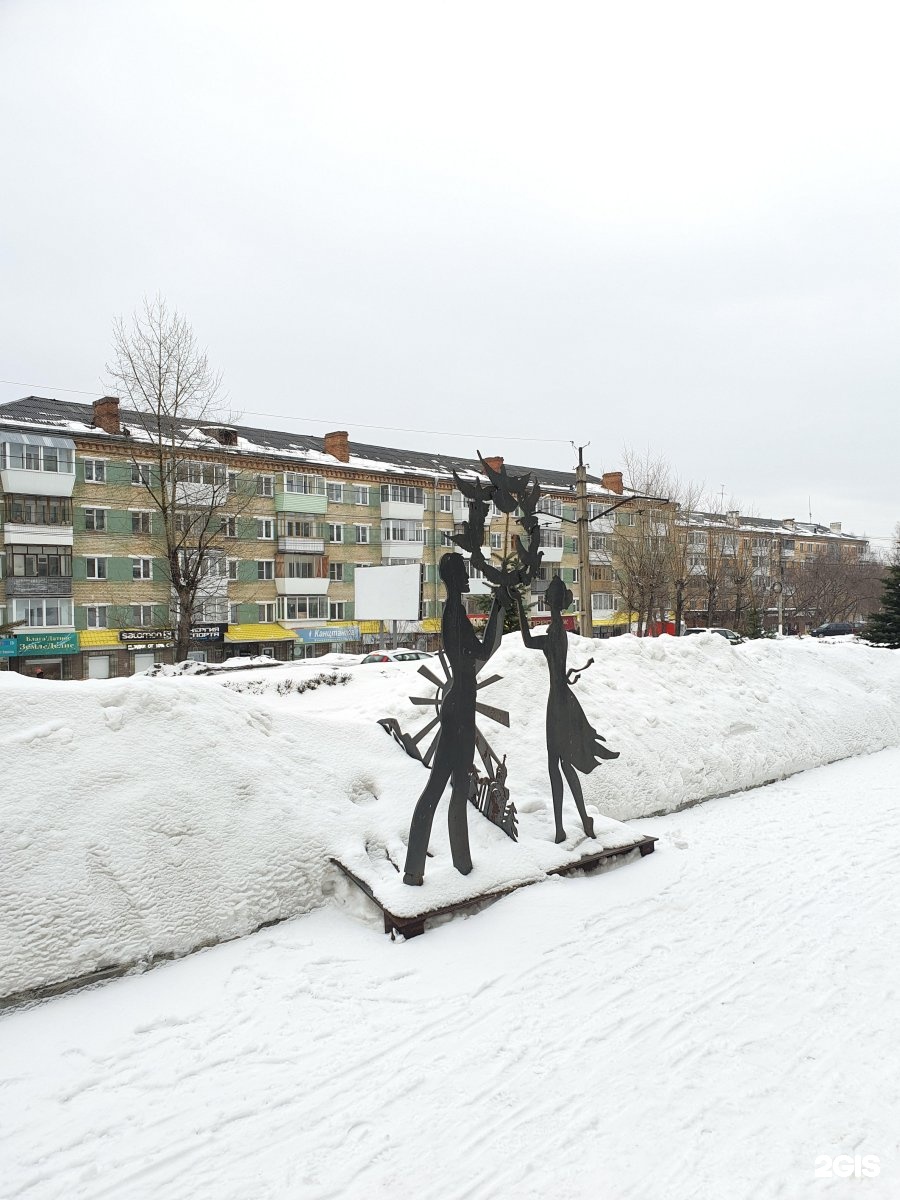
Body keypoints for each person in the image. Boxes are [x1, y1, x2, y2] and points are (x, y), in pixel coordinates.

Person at [403, 553, 507, 885]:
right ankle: (419, 868)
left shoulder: (453, 611)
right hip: (459, 710)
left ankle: (454, 863)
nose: (467, 578)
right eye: (463, 573)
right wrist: (498, 608)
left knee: (456, 786)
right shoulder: (455, 613)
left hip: (459, 706)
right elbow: (485, 649)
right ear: (453, 577)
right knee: (440, 787)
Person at [516, 576, 618, 843]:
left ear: (554, 600)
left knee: (557, 763)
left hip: (559, 701)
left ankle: (568, 825)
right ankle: (575, 822)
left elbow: (527, 641)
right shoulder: (555, 629)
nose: (546, 598)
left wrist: (518, 605)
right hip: (559, 699)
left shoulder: (557, 631)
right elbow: (532, 644)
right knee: (561, 764)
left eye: (548, 594)